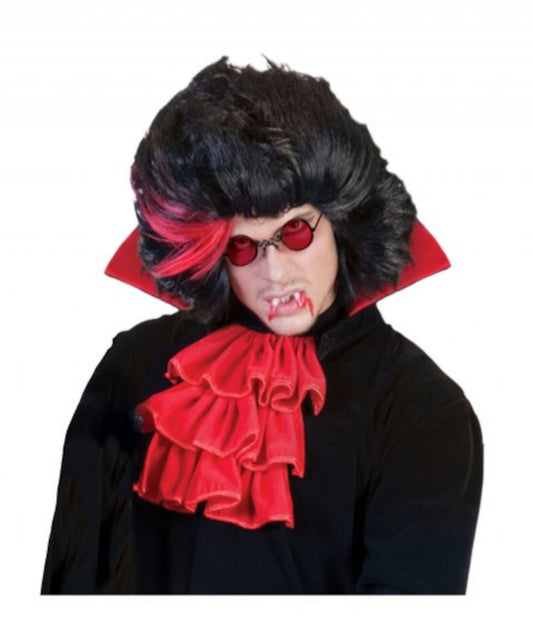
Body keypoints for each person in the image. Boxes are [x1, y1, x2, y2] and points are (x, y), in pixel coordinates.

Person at [41, 57, 483, 594]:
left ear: (341, 222)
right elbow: (73, 575)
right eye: (242, 247)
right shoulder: (135, 365)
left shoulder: (420, 408)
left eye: (295, 231)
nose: (275, 273)